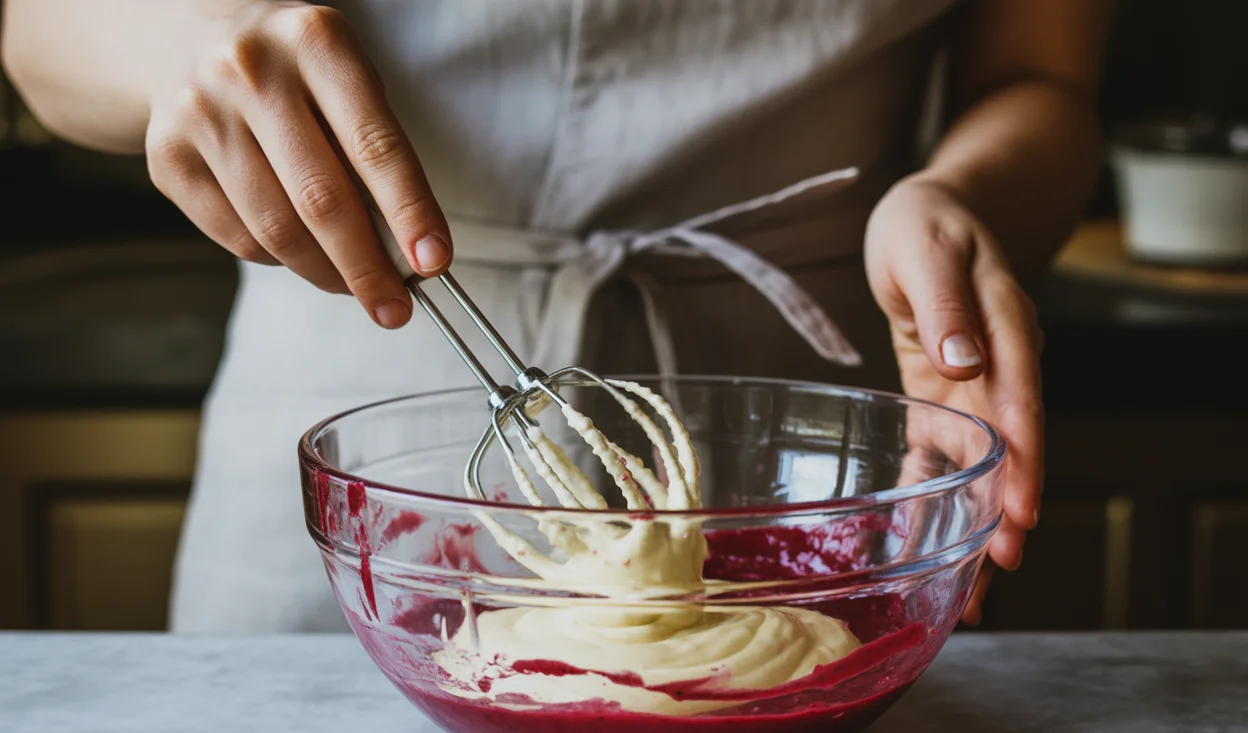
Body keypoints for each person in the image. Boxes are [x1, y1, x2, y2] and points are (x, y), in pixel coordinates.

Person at [2, 0, 1112, 633]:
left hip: (805, 449)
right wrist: (182, 52)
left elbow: (1040, 80)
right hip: (367, 388)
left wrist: (957, 196)